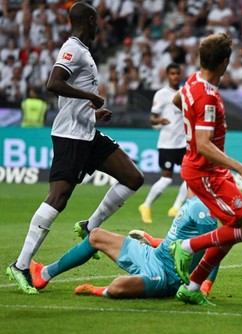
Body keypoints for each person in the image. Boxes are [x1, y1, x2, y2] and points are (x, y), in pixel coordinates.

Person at [6, 2, 144, 295]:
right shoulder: (73, 49)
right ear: (90, 21)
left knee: (133, 178)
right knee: (58, 197)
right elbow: (53, 83)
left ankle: (89, 226)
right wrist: (90, 97)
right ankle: (20, 265)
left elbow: (73, 103)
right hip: (70, 136)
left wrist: (93, 113)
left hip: (87, 132)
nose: (100, 27)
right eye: (97, 22)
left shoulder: (84, 51)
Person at [168, 33, 242, 305]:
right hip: (205, 171)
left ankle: (192, 287)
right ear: (225, 63)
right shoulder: (209, 97)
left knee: (231, 228)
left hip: (206, 169)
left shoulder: (192, 82)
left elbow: (177, 102)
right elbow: (203, 144)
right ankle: (187, 246)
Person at [29, 195, 219, 299]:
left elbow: (214, 247)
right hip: (152, 255)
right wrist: (151, 241)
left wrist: (205, 285)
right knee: (96, 236)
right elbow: (180, 244)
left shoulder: (204, 210)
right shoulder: (191, 199)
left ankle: (98, 290)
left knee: (118, 286)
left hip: (166, 277)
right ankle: (44, 274)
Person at [138, 63, 188, 224]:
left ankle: (176, 207)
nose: (174, 76)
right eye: (172, 73)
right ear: (167, 76)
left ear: (180, 75)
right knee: (166, 179)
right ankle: (146, 206)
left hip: (183, 143)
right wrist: (159, 120)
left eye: (177, 73)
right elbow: (152, 117)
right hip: (167, 143)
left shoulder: (185, 93)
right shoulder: (161, 94)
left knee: (190, 177)